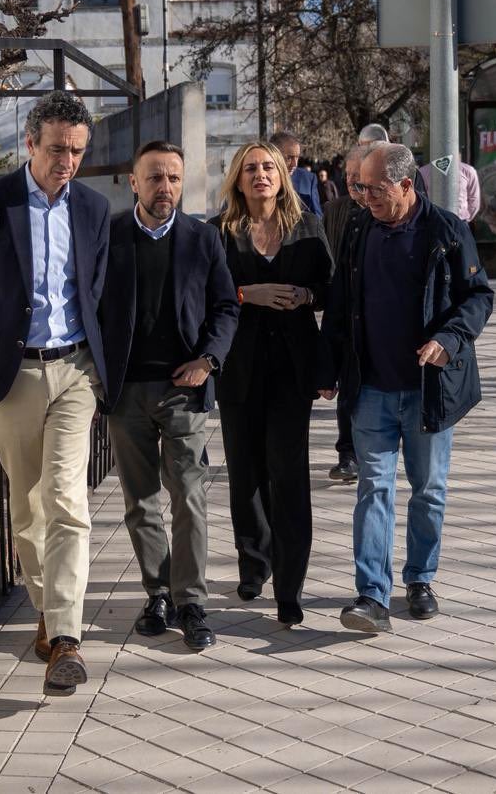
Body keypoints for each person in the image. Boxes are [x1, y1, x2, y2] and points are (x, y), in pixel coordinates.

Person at [0, 91, 108, 692]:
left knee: (68, 496)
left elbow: (94, 289)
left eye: (76, 151)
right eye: (57, 149)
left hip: (74, 373)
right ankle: (48, 612)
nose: (66, 161)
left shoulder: (92, 209)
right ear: (30, 144)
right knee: (29, 505)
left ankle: (66, 635)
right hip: (14, 375)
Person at [322, 142, 494, 634]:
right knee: (373, 488)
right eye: (359, 187)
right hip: (371, 387)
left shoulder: (447, 231)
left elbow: (478, 297)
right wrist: (328, 370)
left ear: (405, 184)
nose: (365, 197)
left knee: (428, 491)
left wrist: (448, 338)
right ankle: (370, 596)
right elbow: (340, 303)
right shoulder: (358, 229)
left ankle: (419, 580)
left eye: (375, 189)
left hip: (428, 388)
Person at [98, 141, 239, 652]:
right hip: (125, 392)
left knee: (190, 497)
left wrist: (208, 360)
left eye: (174, 178)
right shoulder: (107, 236)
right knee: (141, 502)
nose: (166, 188)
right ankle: (158, 594)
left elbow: (226, 307)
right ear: (133, 182)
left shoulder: (202, 239)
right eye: (155, 178)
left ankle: (192, 602)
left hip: (184, 389)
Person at [212, 141, 334, 627]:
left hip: (291, 368)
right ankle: (253, 564)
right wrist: (248, 293)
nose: (260, 175)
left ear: (283, 175)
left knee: (288, 475)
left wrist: (305, 294)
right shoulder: (220, 232)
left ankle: (290, 583)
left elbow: (329, 289)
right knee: (245, 473)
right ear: (238, 181)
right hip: (238, 367)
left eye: (268, 167)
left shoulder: (307, 226)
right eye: (250, 169)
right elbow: (206, 294)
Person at [321, 142, 373, 482]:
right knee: (346, 384)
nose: (355, 187)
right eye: (350, 178)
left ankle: (368, 450)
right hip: (342, 309)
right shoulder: (335, 210)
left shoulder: (384, 209)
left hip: (376, 314)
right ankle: (348, 454)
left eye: (361, 180)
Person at [269, 130, 321, 216]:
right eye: (289, 158)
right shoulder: (262, 179)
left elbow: (317, 218)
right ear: (273, 155)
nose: (295, 164)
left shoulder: (308, 179)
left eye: (297, 157)